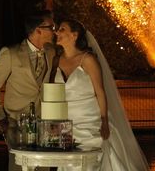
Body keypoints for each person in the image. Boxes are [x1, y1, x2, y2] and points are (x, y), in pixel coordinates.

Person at [53, 18, 149, 171]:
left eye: (62, 29)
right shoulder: (56, 61)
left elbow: (100, 92)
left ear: (74, 35)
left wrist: (104, 120)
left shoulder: (88, 60)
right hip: (65, 124)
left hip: (89, 122)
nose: (57, 32)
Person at [0, 9, 56, 169]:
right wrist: (0, 119)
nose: (54, 31)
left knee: (43, 167)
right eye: (51, 27)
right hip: (16, 123)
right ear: (38, 29)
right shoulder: (10, 53)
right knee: (19, 167)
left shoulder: (51, 52)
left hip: (44, 123)